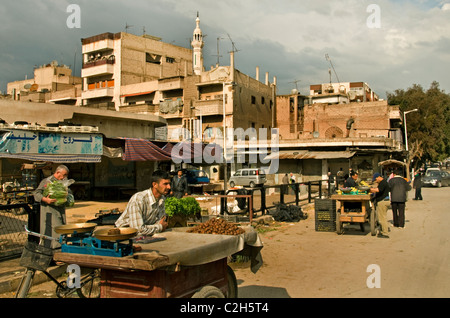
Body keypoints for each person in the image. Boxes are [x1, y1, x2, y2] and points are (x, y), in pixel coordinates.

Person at [115, 170, 170, 236]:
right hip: (123, 233)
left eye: (169, 184)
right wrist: (160, 227)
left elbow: (160, 221)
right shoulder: (139, 199)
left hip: (144, 232)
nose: (169, 187)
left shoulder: (162, 199)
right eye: (165, 184)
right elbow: (137, 230)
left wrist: (158, 226)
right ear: (155, 184)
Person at [33, 165, 71, 248]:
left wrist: (68, 197)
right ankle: (55, 252)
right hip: (49, 211)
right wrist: (45, 199)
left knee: (62, 228)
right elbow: (36, 193)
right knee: (55, 230)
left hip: (60, 210)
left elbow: (68, 192)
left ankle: (60, 250)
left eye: (66, 175)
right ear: (57, 173)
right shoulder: (47, 181)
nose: (65, 177)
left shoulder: (63, 182)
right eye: (64, 175)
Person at [370, 172, 390, 238]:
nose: (376, 181)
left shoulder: (383, 183)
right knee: (380, 217)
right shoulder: (382, 182)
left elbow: (378, 190)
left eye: (376, 180)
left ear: (378, 177)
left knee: (382, 218)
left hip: (383, 201)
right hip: (383, 201)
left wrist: (370, 190)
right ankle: (383, 231)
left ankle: (385, 233)